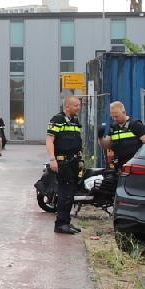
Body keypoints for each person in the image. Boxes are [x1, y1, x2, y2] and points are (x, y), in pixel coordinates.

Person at [46, 95, 86, 234]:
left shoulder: (75, 121)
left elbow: (77, 142)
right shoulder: (58, 120)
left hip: (73, 161)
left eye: (79, 105)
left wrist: (80, 159)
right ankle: (61, 224)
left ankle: (66, 222)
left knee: (71, 193)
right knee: (65, 193)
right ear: (67, 107)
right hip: (63, 161)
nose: (78, 108)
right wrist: (52, 159)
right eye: (76, 105)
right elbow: (50, 140)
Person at [98, 101, 145, 178]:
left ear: (124, 112)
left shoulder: (135, 125)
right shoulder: (113, 127)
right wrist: (100, 138)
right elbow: (106, 145)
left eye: (116, 116)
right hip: (119, 166)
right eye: (113, 117)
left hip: (133, 166)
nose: (115, 119)